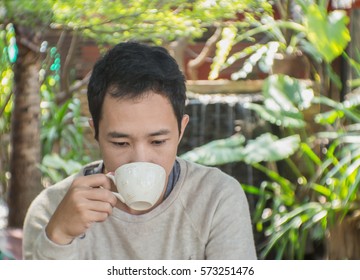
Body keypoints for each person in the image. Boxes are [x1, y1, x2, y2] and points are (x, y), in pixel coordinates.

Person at [22, 41, 257, 260]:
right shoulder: (51, 210)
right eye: (121, 143)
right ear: (95, 133)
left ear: (181, 130)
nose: (141, 159)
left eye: (158, 142)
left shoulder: (216, 198)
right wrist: (58, 238)